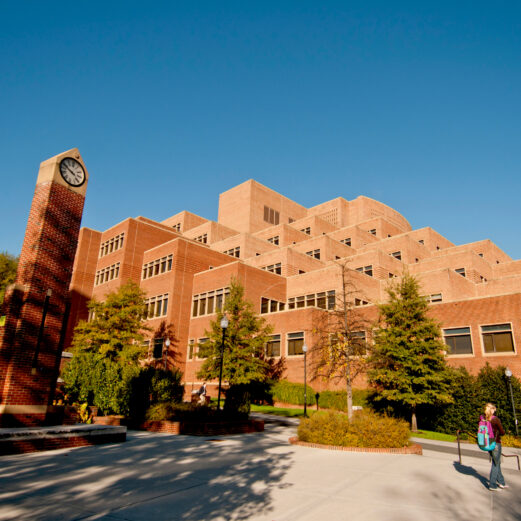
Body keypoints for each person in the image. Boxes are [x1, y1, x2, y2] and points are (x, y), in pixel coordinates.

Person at [485, 403, 508, 491]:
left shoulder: (483, 418)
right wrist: (502, 431)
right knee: (495, 463)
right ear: (492, 409)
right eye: (494, 409)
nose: (495, 411)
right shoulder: (495, 419)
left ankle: (501, 482)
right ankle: (492, 484)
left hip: (487, 443)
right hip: (495, 443)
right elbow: (502, 432)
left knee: (497, 462)